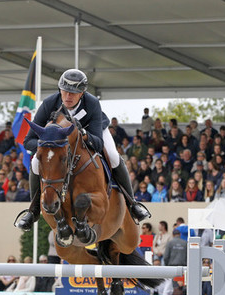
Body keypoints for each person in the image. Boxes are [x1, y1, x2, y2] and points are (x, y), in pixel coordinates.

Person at [15, 69, 150, 231]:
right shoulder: (50, 103)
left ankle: (133, 204)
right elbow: (28, 140)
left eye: (73, 93)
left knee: (114, 157)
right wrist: (47, 146)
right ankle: (33, 211)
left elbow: (98, 143)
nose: (68, 97)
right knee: (37, 162)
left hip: (92, 133)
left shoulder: (92, 103)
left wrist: (83, 134)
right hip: (58, 144)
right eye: (65, 91)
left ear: (82, 93)